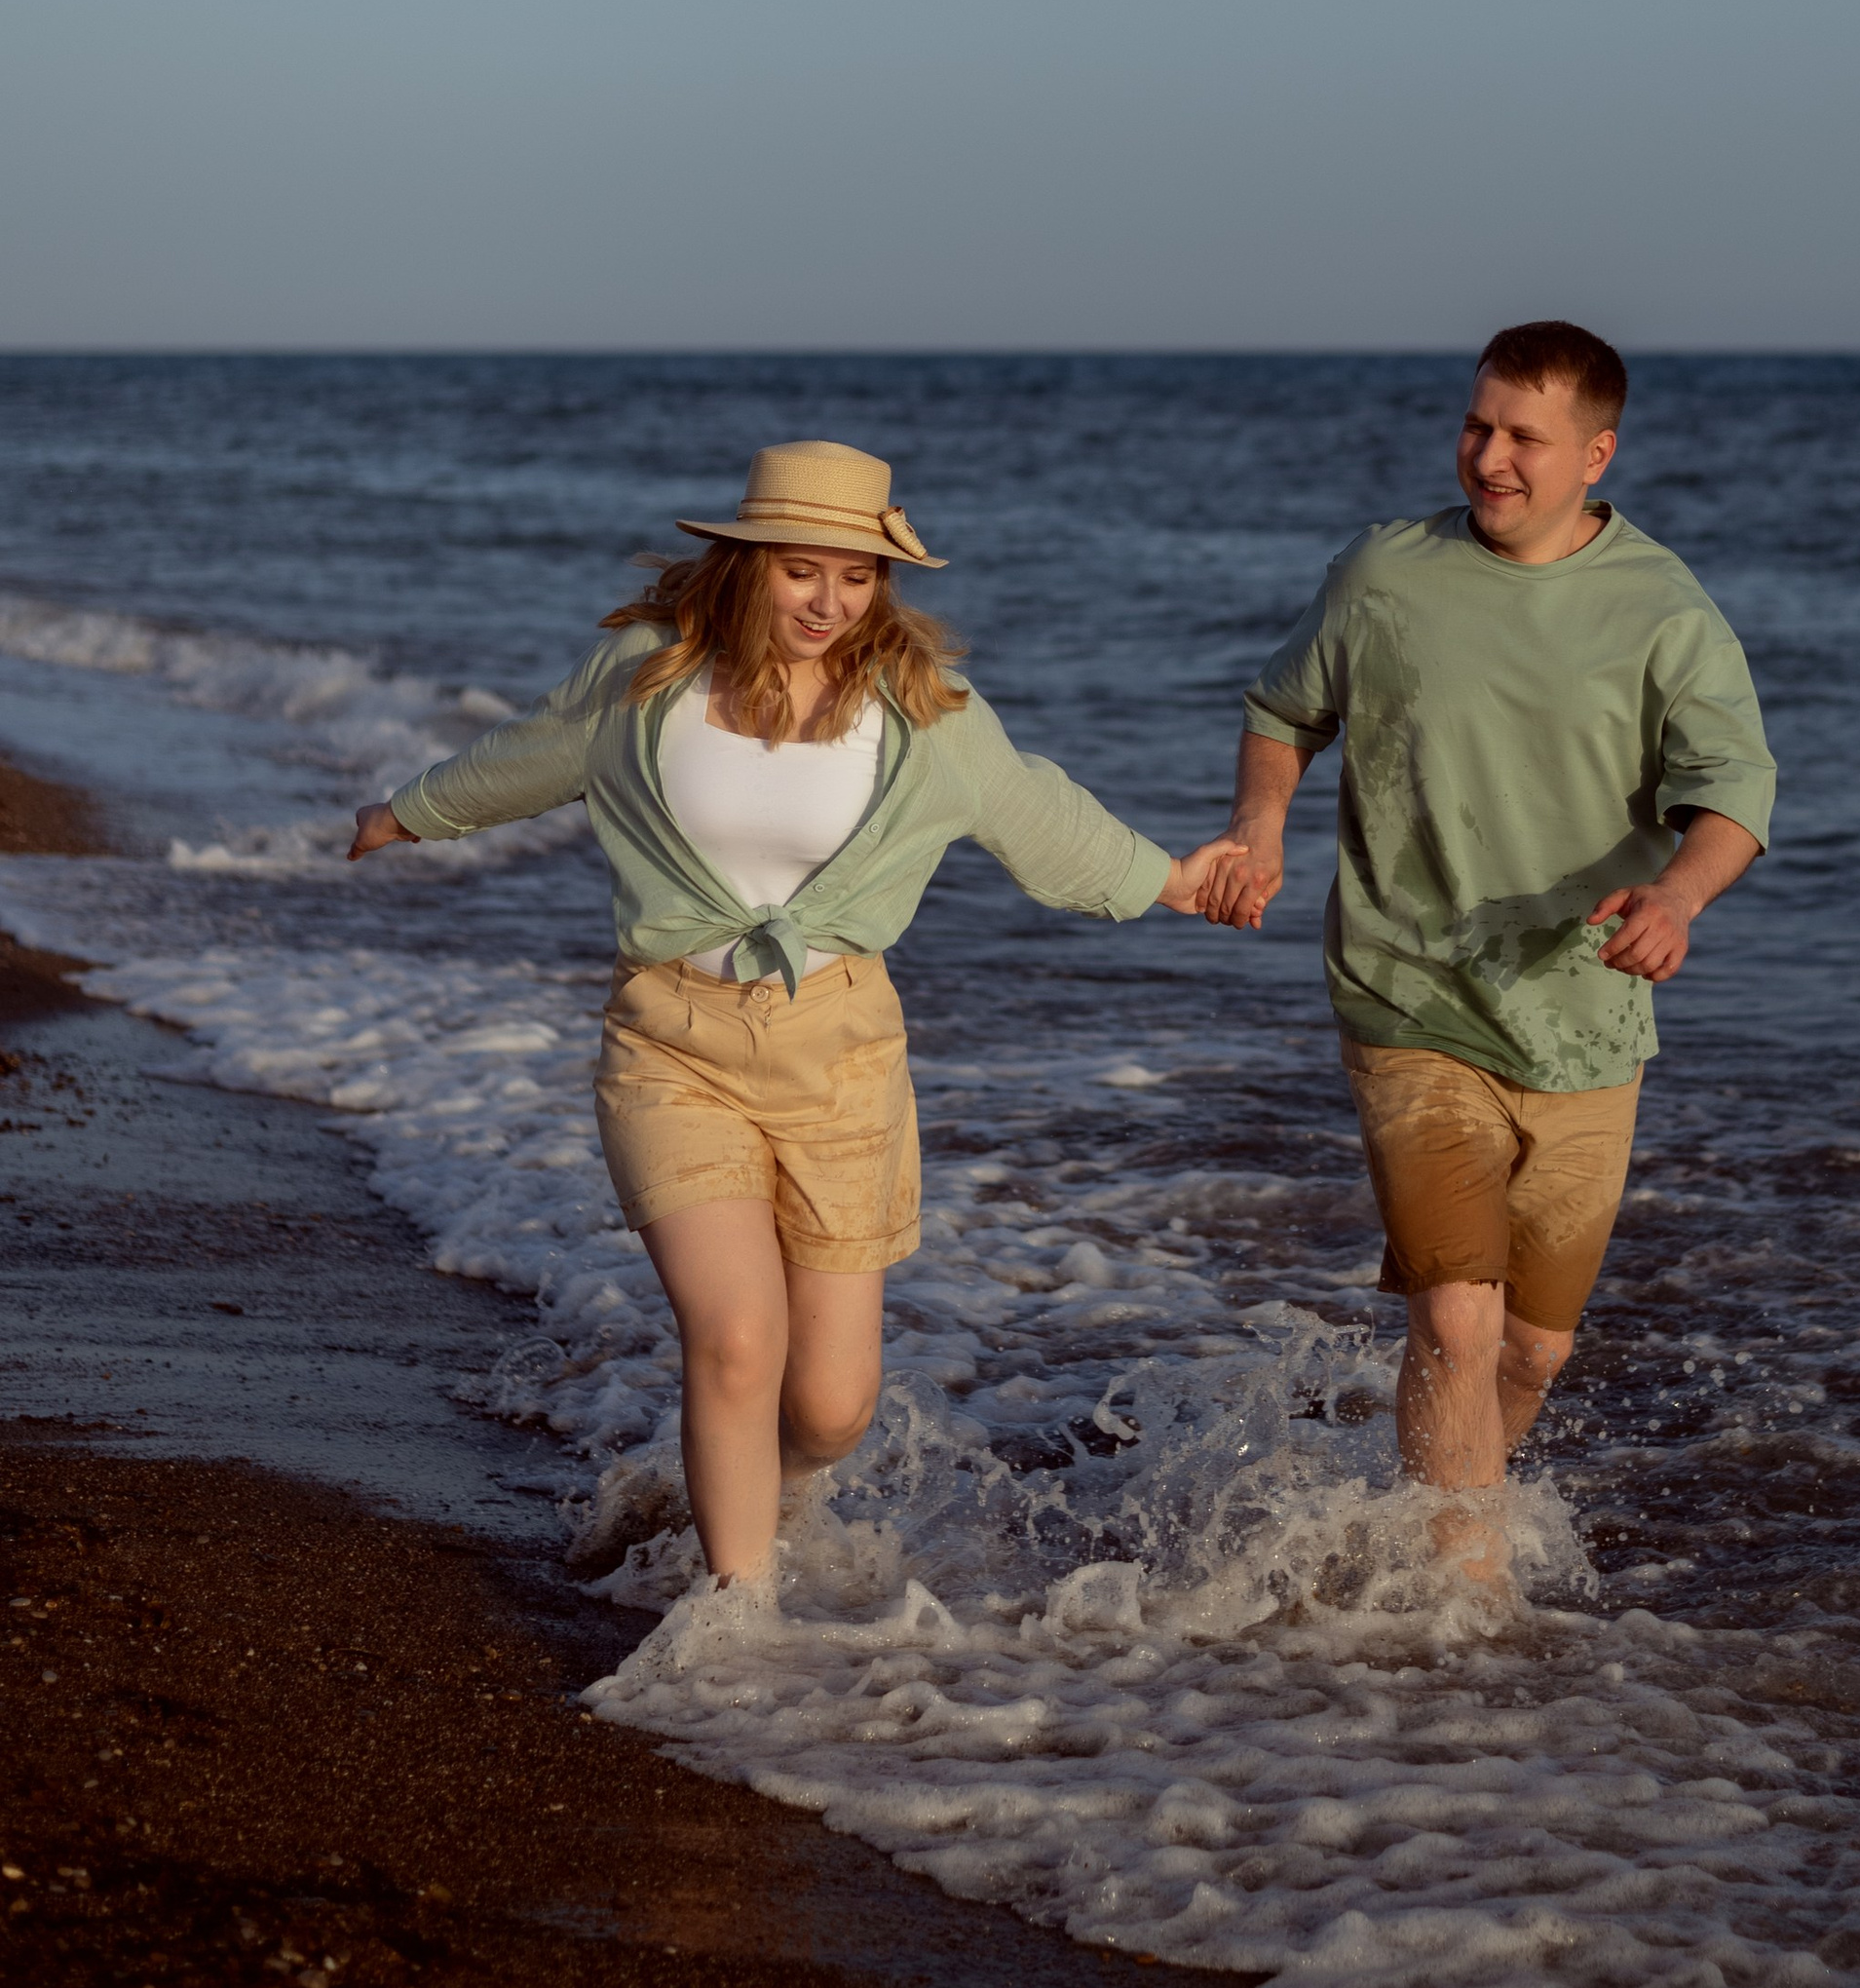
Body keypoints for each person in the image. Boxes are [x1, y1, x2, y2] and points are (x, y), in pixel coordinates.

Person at [350, 439, 1239, 1587]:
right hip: (673, 1043)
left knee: (829, 1406)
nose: (829, 601)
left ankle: (768, 1498)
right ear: (748, 563)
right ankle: (736, 1621)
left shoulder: (924, 713)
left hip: (842, 1055)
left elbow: (1037, 817)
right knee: (732, 1341)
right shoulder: (645, 676)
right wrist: (403, 813)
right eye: (801, 571)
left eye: (857, 575)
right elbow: (524, 758)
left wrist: (1178, 880)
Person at [1200, 325, 1774, 1545]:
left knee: (1531, 1347)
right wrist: (1259, 828)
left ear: (1595, 453)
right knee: (1455, 1324)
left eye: (1524, 436)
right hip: (1408, 992)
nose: (1489, 457)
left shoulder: (1662, 607)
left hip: (1583, 1020)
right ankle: (1461, 1618)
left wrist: (1678, 898)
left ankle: (1412, 1536)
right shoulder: (1383, 573)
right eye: (1477, 425)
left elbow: (1734, 789)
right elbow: (1284, 708)